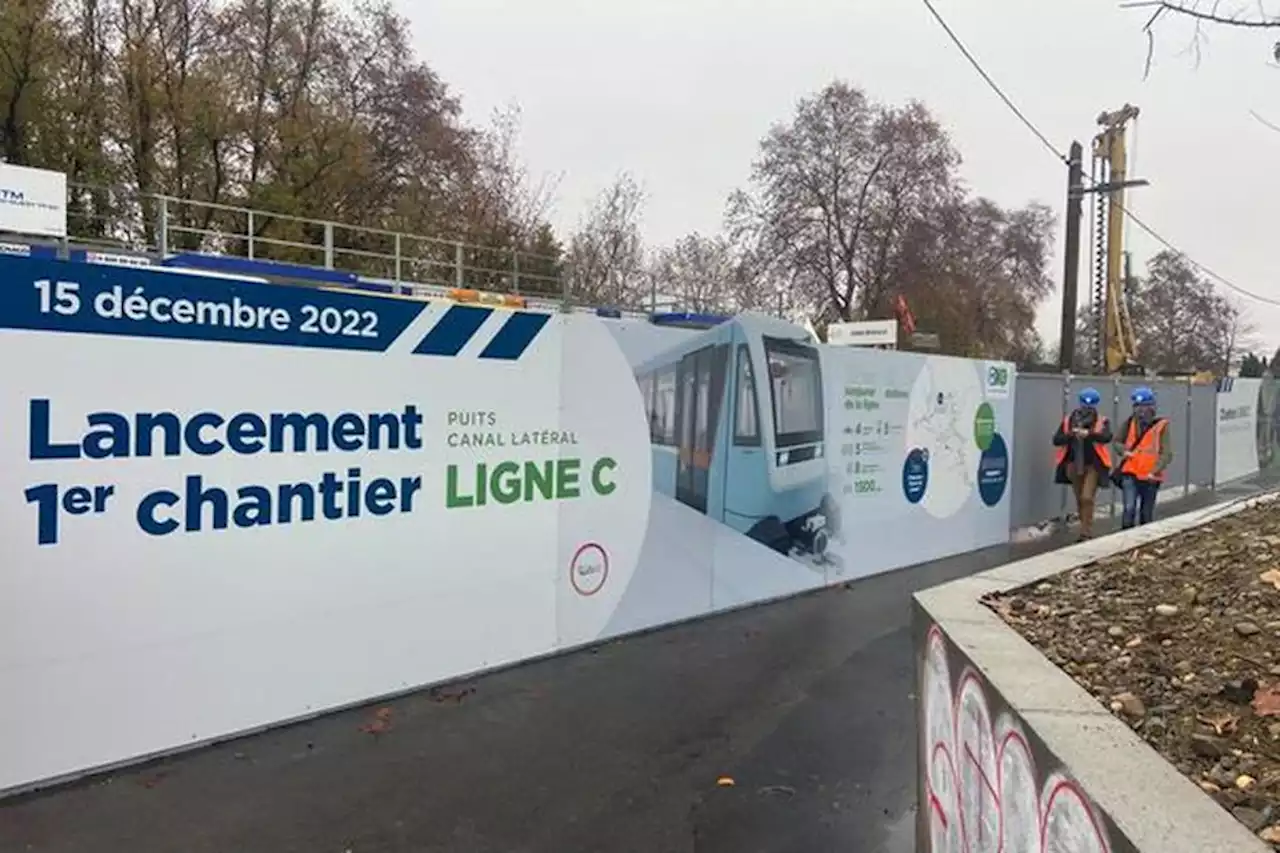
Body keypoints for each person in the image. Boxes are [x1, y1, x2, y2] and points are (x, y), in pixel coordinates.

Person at [1053, 387, 1113, 540]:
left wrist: (1090, 434)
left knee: (1087, 497)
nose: (1087, 407)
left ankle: (1086, 531)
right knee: (1080, 497)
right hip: (1073, 465)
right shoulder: (1069, 420)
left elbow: (1106, 437)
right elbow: (1056, 439)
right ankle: (1083, 527)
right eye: (1085, 403)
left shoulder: (1102, 421)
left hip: (1093, 465)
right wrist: (1071, 434)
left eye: (1091, 404)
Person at [1113, 386, 1173, 529]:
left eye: (1143, 405)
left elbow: (1167, 453)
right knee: (1129, 508)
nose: (1140, 409)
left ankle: (1142, 541)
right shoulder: (1129, 423)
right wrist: (1123, 451)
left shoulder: (1161, 426)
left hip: (1150, 476)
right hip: (1130, 472)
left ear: (1151, 406)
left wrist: (1155, 470)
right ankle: (1125, 539)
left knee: (1146, 513)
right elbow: (1117, 441)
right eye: (1137, 405)